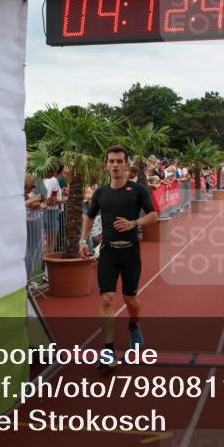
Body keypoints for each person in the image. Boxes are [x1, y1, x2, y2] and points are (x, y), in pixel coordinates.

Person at [80, 146, 158, 368]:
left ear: (126, 164)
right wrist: (82, 241)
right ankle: (108, 351)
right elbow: (89, 216)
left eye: (119, 161)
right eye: (111, 161)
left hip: (131, 252)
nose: (115, 165)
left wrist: (133, 223)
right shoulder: (101, 193)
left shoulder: (138, 190)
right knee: (106, 299)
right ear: (107, 165)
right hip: (108, 252)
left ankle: (134, 324)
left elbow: (153, 216)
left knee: (130, 299)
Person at [24, 174, 45, 280]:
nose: (33, 188)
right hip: (30, 221)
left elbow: (33, 203)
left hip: (32, 219)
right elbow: (26, 203)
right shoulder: (22, 192)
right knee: (30, 250)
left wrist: (36, 203)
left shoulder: (26, 193)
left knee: (32, 249)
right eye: (31, 186)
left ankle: (29, 277)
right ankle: (27, 278)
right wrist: (36, 200)